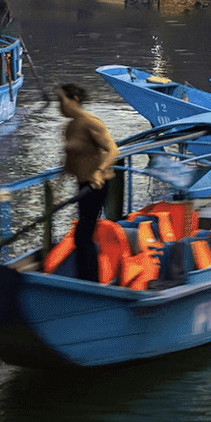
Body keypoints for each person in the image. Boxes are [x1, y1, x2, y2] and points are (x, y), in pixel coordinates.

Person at [55, 84, 117, 284]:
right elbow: (70, 160)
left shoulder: (91, 123)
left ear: (75, 99)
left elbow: (113, 150)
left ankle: (90, 281)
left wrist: (99, 171)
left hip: (97, 185)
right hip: (82, 186)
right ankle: (85, 278)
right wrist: (59, 185)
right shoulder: (69, 128)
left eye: (62, 100)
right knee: (82, 234)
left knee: (83, 234)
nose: (59, 106)